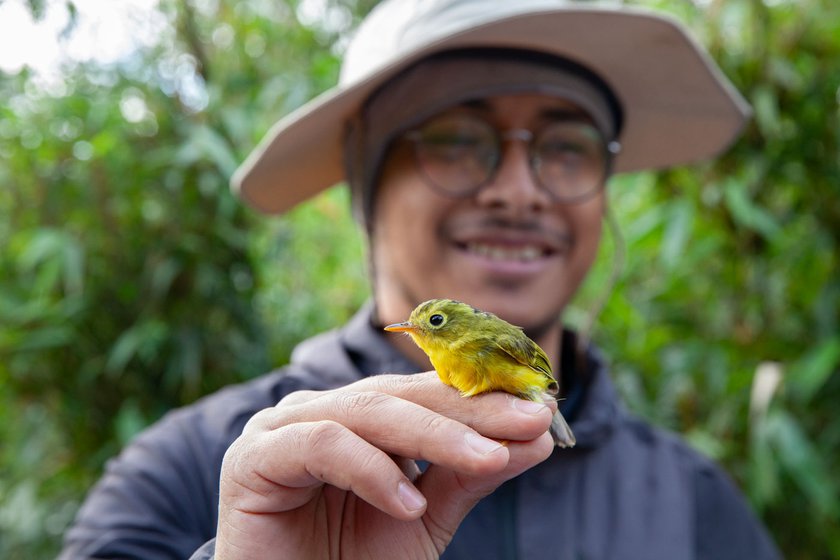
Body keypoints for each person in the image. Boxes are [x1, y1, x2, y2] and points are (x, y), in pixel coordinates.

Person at [60, 1, 782, 558]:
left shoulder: (698, 503)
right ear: (363, 188)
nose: (518, 190)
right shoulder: (190, 470)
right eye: (457, 141)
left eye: (566, 147)